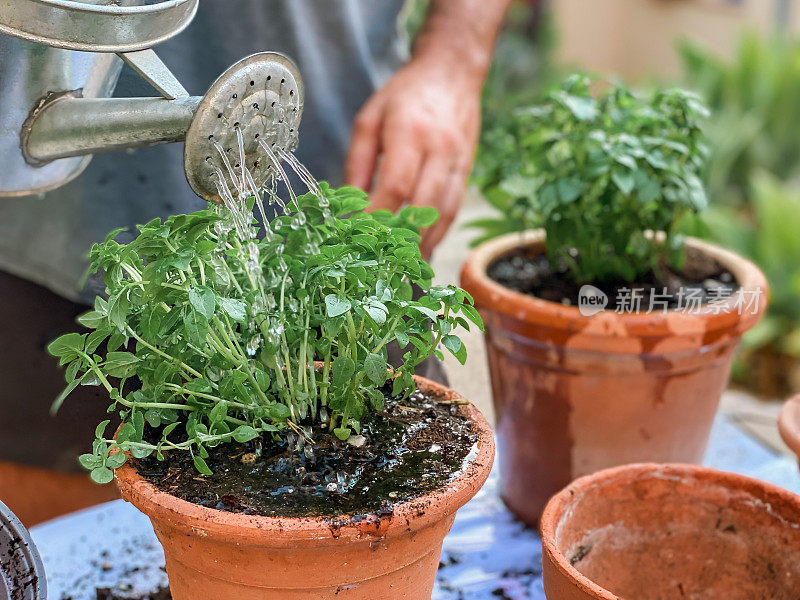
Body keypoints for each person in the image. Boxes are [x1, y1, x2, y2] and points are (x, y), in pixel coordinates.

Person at [0, 0, 512, 525]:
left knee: (395, 504)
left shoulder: (360, 293)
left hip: (344, 224)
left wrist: (453, 60)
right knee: (63, 553)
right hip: (51, 231)